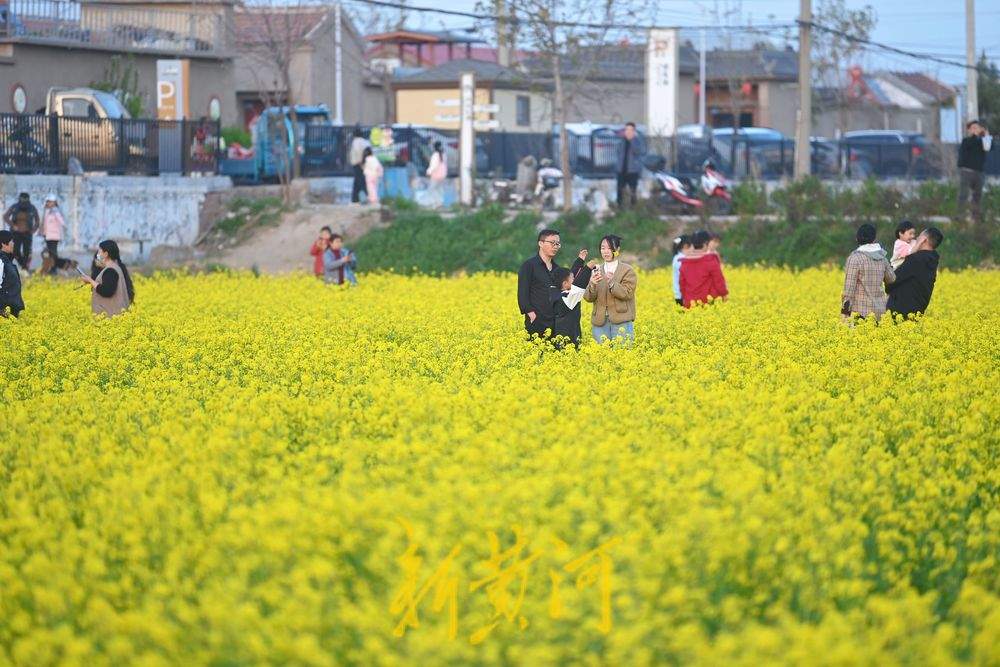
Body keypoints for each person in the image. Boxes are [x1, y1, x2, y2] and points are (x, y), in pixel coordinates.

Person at [584, 234, 637, 344]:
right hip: (600, 321)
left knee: (623, 354)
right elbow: (588, 298)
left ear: (617, 249)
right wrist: (592, 284)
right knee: (601, 356)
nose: (605, 251)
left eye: (609, 248)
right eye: (603, 248)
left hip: (621, 320)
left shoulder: (627, 270)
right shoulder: (596, 270)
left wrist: (612, 282)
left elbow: (627, 294)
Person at [841, 223, 894, 322]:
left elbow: (849, 289)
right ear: (874, 240)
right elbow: (892, 279)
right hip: (880, 312)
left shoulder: (855, 258)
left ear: (857, 239)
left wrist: (845, 313)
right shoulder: (882, 258)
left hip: (861, 313)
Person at [887, 227, 944, 320]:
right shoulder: (932, 260)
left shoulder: (916, 259)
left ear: (923, 239)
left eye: (919, 236)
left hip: (900, 313)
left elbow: (893, 279)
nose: (916, 238)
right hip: (917, 312)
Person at [517, 228, 562, 339]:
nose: (555, 246)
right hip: (536, 322)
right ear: (541, 243)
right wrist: (531, 314)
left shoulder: (558, 269)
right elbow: (522, 293)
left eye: (558, 244)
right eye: (552, 243)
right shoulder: (529, 266)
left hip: (555, 323)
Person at [550, 251, 594, 349]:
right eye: (572, 279)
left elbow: (571, 275)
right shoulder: (566, 298)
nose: (574, 280)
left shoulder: (556, 292)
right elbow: (578, 286)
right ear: (565, 284)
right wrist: (588, 268)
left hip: (561, 335)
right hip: (568, 339)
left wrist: (580, 261)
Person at [79, 240, 135, 317]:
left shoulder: (110, 270)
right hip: (112, 317)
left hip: (110, 316)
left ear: (105, 254)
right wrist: (90, 281)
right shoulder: (113, 268)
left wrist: (91, 281)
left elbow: (107, 291)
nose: (97, 255)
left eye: (99, 252)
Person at [679, 230, 728, 308]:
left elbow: (682, 285)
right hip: (708, 303)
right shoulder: (710, 260)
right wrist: (724, 294)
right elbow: (719, 281)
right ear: (706, 243)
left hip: (690, 303)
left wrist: (685, 299)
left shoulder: (684, 263)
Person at [958, 120, 992, 221]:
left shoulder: (982, 141)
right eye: (973, 128)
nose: (975, 130)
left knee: (977, 195)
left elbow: (988, 147)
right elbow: (971, 143)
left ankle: (976, 217)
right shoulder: (966, 140)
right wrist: (976, 135)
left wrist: (986, 135)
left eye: (977, 128)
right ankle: (960, 216)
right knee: (963, 195)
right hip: (966, 172)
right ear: (968, 130)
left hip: (979, 172)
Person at [3, 192, 39, 272]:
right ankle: (24, 266)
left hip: (27, 233)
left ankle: (24, 269)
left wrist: (33, 230)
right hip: (16, 233)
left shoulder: (32, 208)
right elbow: (5, 216)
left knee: (26, 251)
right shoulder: (15, 207)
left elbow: (37, 220)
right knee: (15, 251)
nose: (24, 202)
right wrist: (13, 226)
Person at [617, 122, 646, 209]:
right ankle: (619, 209)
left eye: (630, 130)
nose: (628, 132)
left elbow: (639, 152)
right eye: (626, 129)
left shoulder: (637, 141)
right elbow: (618, 152)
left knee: (633, 191)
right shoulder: (621, 141)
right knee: (619, 191)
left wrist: (632, 140)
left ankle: (633, 209)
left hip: (632, 171)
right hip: (621, 170)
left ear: (633, 131)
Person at [40, 193, 71, 275]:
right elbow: (45, 224)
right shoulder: (47, 211)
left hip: (54, 236)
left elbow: (62, 221)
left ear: (54, 202)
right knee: (50, 253)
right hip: (48, 235)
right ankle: (53, 267)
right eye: (48, 202)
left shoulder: (56, 211)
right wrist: (43, 233)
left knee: (53, 253)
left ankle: (55, 268)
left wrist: (65, 228)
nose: (48, 203)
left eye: (50, 202)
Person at [0, 230, 25, 317]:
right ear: (3, 243)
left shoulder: (7, 260)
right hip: (4, 312)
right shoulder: (1, 261)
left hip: (11, 312)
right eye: (11, 241)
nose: (13, 243)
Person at [349, 127, 370, 204]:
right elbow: (369, 151)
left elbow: (357, 152)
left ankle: (365, 198)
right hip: (365, 163)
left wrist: (360, 162)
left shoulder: (356, 142)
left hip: (358, 164)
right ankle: (355, 199)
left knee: (360, 182)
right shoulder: (365, 142)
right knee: (358, 181)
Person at [671, 235, 692, 306]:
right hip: (681, 295)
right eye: (692, 246)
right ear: (686, 246)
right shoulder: (680, 259)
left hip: (680, 294)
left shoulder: (678, 257)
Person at [426, 141, 447, 208]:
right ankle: (440, 203)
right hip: (443, 175)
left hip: (436, 175)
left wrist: (428, 172)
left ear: (434, 147)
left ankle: (434, 204)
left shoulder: (435, 155)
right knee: (439, 189)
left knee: (431, 189)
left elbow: (433, 166)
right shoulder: (444, 154)